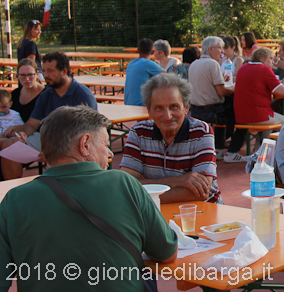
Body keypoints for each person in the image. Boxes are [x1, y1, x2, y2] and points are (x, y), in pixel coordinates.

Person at [0, 105, 178, 291]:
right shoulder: (123, 183)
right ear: (85, 144)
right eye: (106, 145)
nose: (110, 153)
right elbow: (167, 252)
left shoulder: (14, 200)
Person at [121, 73, 222, 204]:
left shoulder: (201, 132)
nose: (167, 116)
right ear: (149, 111)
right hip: (156, 212)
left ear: (186, 108)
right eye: (159, 108)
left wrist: (145, 192)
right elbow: (126, 186)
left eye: (174, 107)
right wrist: (178, 181)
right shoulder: (139, 133)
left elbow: (201, 192)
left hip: (202, 210)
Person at [1, 52, 98, 180]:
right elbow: (32, 124)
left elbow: (89, 133)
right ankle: (12, 189)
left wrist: (55, 149)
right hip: (47, 139)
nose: (46, 75)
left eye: (50, 71)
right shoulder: (46, 94)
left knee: (58, 158)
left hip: (73, 143)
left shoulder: (83, 95)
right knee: (9, 147)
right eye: (44, 70)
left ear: (64, 71)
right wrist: (21, 134)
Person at [188, 36, 246, 163]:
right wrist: (236, 87)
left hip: (196, 111)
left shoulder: (194, 64)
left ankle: (218, 148)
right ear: (210, 49)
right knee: (243, 116)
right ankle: (232, 151)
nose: (222, 52)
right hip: (212, 112)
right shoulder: (212, 64)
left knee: (227, 108)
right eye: (220, 48)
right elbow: (222, 92)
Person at [234, 47, 284, 129]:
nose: (273, 62)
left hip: (241, 116)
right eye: (270, 58)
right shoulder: (264, 69)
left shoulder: (243, 67)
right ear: (262, 58)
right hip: (259, 115)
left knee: (271, 125)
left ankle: (260, 137)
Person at [124, 38, 163, 106]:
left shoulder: (131, 64)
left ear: (138, 50)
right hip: (141, 105)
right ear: (152, 52)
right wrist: (158, 67)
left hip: (128, 103)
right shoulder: (148, 63)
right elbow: (167, 74)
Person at [10, 58, 45, 123]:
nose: (27, 79)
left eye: (30, 75)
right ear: (18, 76)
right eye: (22, 75)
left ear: (37, 74)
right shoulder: (14, 94)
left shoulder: (46, 94)